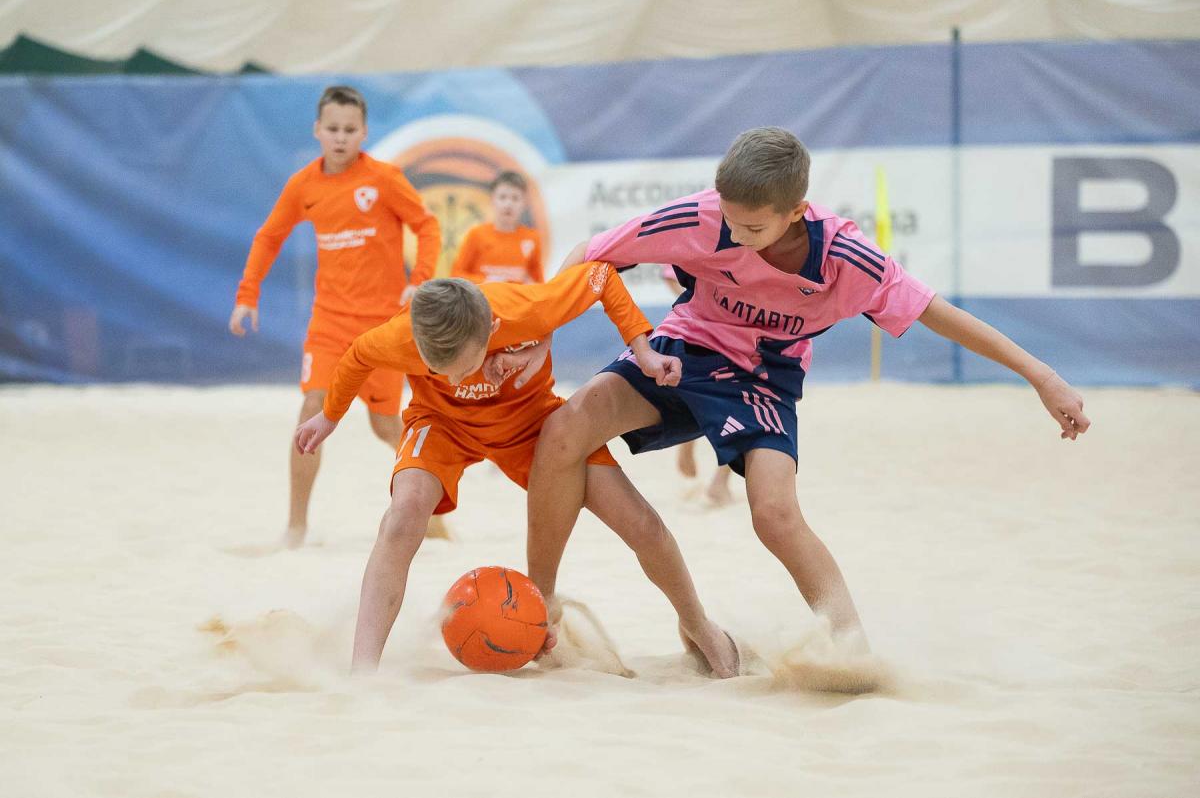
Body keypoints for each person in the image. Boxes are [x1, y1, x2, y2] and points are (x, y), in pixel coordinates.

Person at [526, 126, 1091, 649]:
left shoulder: (847, 259)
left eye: (753, 229)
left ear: (796, 211)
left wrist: (1042, 377)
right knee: (563, 427)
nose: (735, 236)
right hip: (686, 344)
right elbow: (591, 256)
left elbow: (939, 314)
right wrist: (536, 335)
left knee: (774, 515)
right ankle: (541, 607)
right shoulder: (703, 216)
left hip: (763, 378)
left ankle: (852, 650)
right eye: (729, 220)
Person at [293, 263, 738, 675]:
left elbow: (601, 276)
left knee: (640, 522)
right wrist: (330, 417)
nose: (455, 380)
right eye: (438, 370)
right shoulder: (400, 336)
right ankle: (363, 670)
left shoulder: (526, 308)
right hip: (442, 424)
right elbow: (357, 355)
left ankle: (697, 623)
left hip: (531, 424)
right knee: (402, 515)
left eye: (464, 367)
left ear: (490, 328)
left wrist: (643, 350)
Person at [228, 85, 442, 548]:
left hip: (383, 327)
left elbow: (427, 225)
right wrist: (248, 294)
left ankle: (436, 512)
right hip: (329, 324)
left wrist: (421, 278)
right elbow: (269, 236)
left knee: (386, 426)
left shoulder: (384, 179)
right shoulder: (304, 185)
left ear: (363, 132)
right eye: (332, 129)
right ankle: (296, 527)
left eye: (349, 129)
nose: (340, 137)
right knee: (312, 409)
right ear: (317, 131)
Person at [660, 265, 734, 506]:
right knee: (735, 405)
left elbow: (669, 276)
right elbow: (670, 276)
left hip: (727, 331)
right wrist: (700, 304)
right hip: (705, 331)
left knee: (733, 407)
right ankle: (691, 448)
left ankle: (718, 479)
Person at [450, 170, 544, 284]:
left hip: (515, 295)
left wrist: (529, 284)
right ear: (492, 200)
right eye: (502, 197)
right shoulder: (477, 234)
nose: (508, 204)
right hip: (484, 294)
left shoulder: (532, 238)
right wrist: (485, 281)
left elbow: (538, 283)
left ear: (524, 203)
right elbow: (455, 274)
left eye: (515, 198)